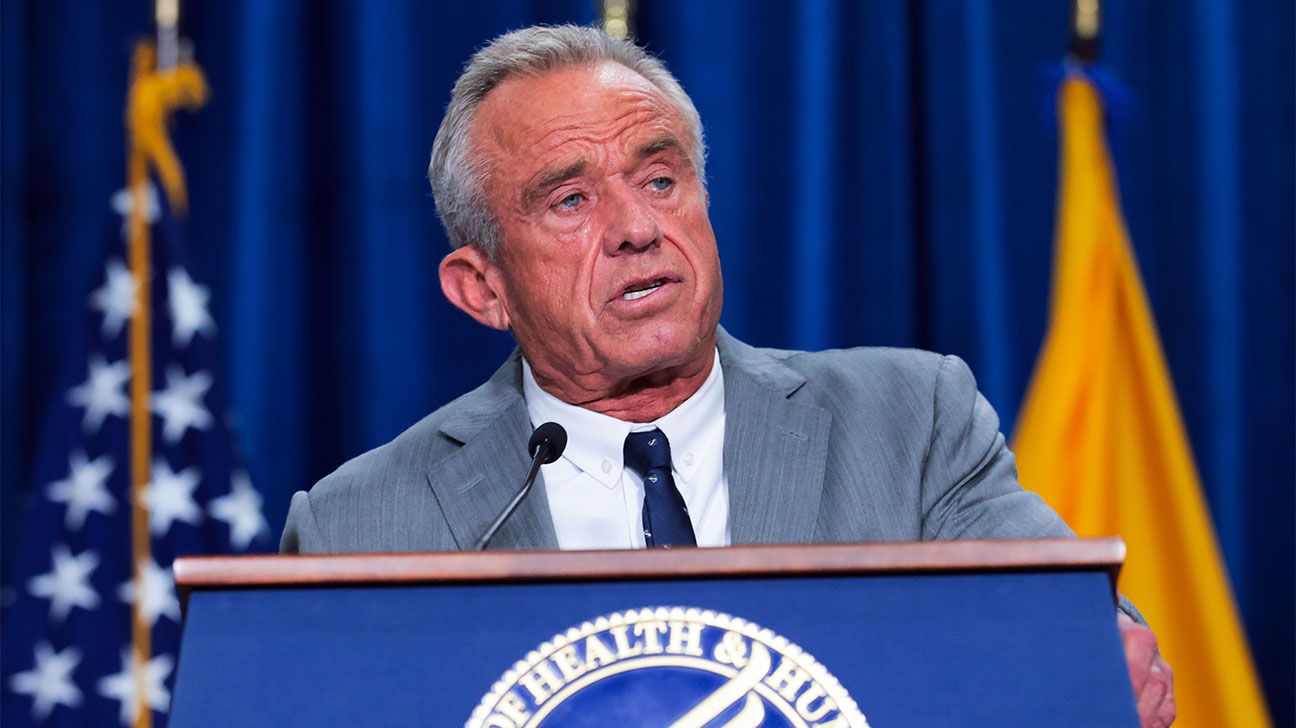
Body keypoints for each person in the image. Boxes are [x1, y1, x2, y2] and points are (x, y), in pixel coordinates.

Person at [280, 24, 1174, 727]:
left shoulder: (910, 424)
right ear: (484, 289)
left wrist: (1088, 667)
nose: (637, 227)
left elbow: (1089, 651)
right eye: (571, 200)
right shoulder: (360, 525)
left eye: (661, 179)